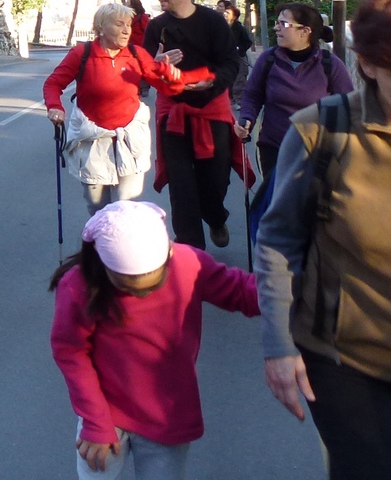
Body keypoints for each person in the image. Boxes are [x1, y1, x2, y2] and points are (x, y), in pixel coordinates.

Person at [256, 0, 391, 478]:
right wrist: (279, 345)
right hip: (349, 362)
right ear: (368, 65)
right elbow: (279, 241)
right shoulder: (321, 130)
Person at [51, 201, 259, 478]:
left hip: (166, 416)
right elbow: (71, 353)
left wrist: (287, 288)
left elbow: (240, 291)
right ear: (101, 262)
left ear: (169, 251)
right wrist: (95, 421)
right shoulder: (79, 285)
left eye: (153, 284)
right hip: (105, 412)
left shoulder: (189, 263)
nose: (142, 294)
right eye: (127, 286)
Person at [143, 0, 252, 250]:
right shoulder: (156, 27)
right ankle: (191, 251)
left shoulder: (213, 22)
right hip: (174, 112)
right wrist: (157, 62)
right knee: (181, 186)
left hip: (211, 108)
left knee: (214, 181)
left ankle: (215, 218)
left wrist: (211, 82)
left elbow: (231, 63)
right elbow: (145, 68)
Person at [235, 2, 352, 243]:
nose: (276, 28)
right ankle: (278, 256)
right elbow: (252, 95)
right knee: (280, 207)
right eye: (276, 22)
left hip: (316, 153)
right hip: (274, 147)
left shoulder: (330, 65)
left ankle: (313, 256)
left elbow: (348, 105)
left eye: (283, 23)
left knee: (311, 211)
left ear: (305, 31)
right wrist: (246, 119)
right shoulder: (268, 59)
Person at [45, 3, 178, 214]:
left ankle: (121, 236)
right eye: (119, 24)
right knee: (98, 209)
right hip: (92, 140)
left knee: (127, 208)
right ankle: (101, 236)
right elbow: (53, 83)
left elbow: (163, 87)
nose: (126, 30)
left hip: (130, 139)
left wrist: (165, 71)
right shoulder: (82, 53)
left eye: (128, 25)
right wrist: (55, 107)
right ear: (101, 27)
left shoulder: (136, 54)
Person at [215, 1, 255, 106]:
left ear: (234, 17)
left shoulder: (239, 28)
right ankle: (229, 99)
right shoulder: (220, 26)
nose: (225, 14)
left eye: (228, 13)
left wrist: (239, 49)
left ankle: (240, 101)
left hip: (239, 58)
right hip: (224, 58)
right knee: (226, 78)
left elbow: (247, 42)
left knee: (239, 80)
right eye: (225, 12)